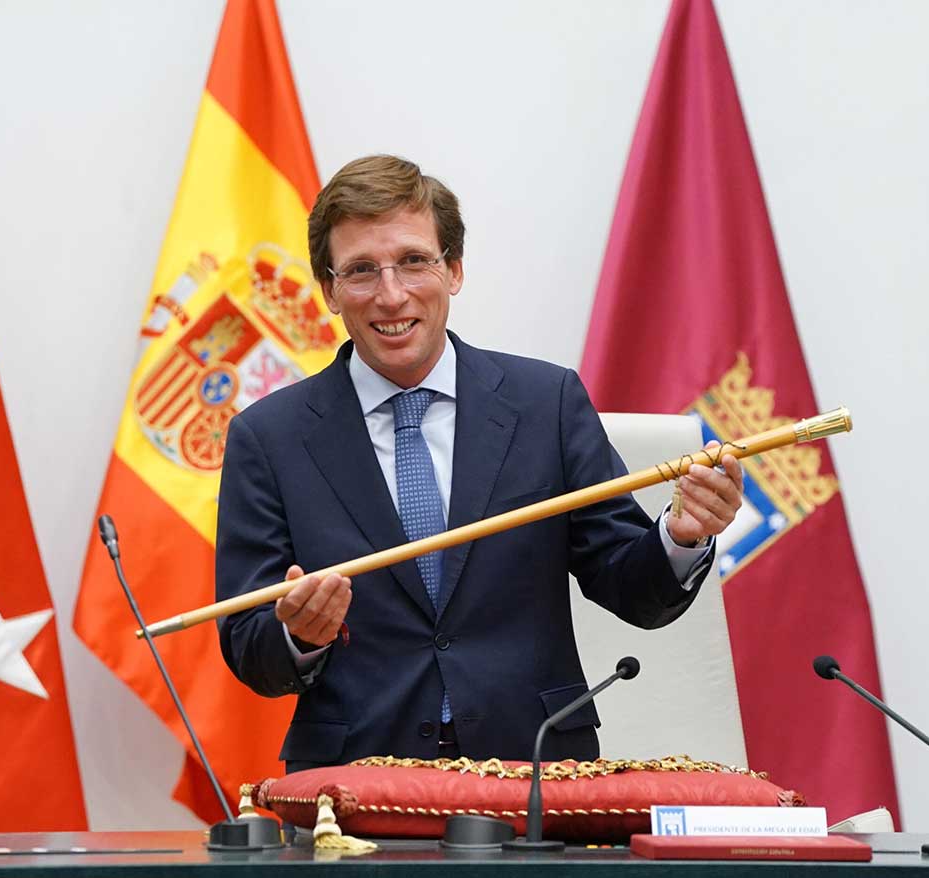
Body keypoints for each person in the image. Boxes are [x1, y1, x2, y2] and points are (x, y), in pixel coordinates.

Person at [216, 155, 743, 772]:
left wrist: (682, 535)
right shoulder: (268, 438)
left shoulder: (546, 403)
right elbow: (250, 648)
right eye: (361, 271)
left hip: (538, 770)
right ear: (330, 291)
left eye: (415, 261)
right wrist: (301, 634)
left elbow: (635, 593)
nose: (391, 295)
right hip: (354, 787)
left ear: (455, 269)